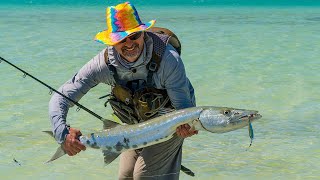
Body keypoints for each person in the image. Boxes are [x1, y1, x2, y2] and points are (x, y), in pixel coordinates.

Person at [49, 2, 197, 179]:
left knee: (144, 176)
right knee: (125, 177)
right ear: (112, 41)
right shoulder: (101, 66)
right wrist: (62, 134)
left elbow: (184, 112)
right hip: (133, 124)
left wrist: (187, 127)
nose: (129, 44)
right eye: (121, 39)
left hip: (168, 124)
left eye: (134, 36)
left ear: (143, 33)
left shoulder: (168, 60)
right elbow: (60, 98)